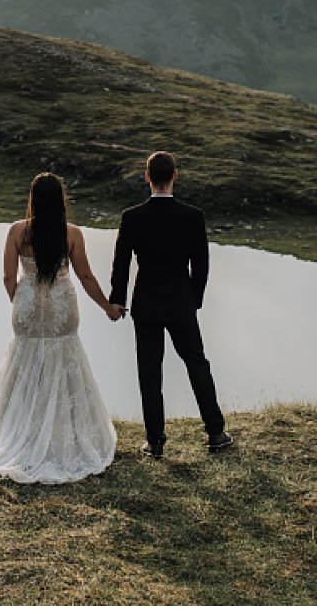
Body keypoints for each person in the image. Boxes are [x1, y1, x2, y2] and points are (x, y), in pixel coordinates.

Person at [0, 172, 123, 484]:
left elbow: (7, 276)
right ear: (60, 200)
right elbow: (85, 276)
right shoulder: (71, 233)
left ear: (32, 198)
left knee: (26, 362)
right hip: (60, 303)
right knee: (64, 360)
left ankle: (20, 434)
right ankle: (60, 438)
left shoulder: (18, 231)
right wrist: (108, 307)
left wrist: (21, 301)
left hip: (28, 303)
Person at [110, 151, 233, 458]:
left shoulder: (132, 217)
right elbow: (201, 265)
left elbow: (121, 264)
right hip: (181, 302)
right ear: (174, 176)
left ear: (147, 177)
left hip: (146, 304)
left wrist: (117, 300)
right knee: (197, 364)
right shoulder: (193, 216)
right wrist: (194, 299)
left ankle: (155, 441)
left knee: (150, 370)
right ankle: (216, 433)